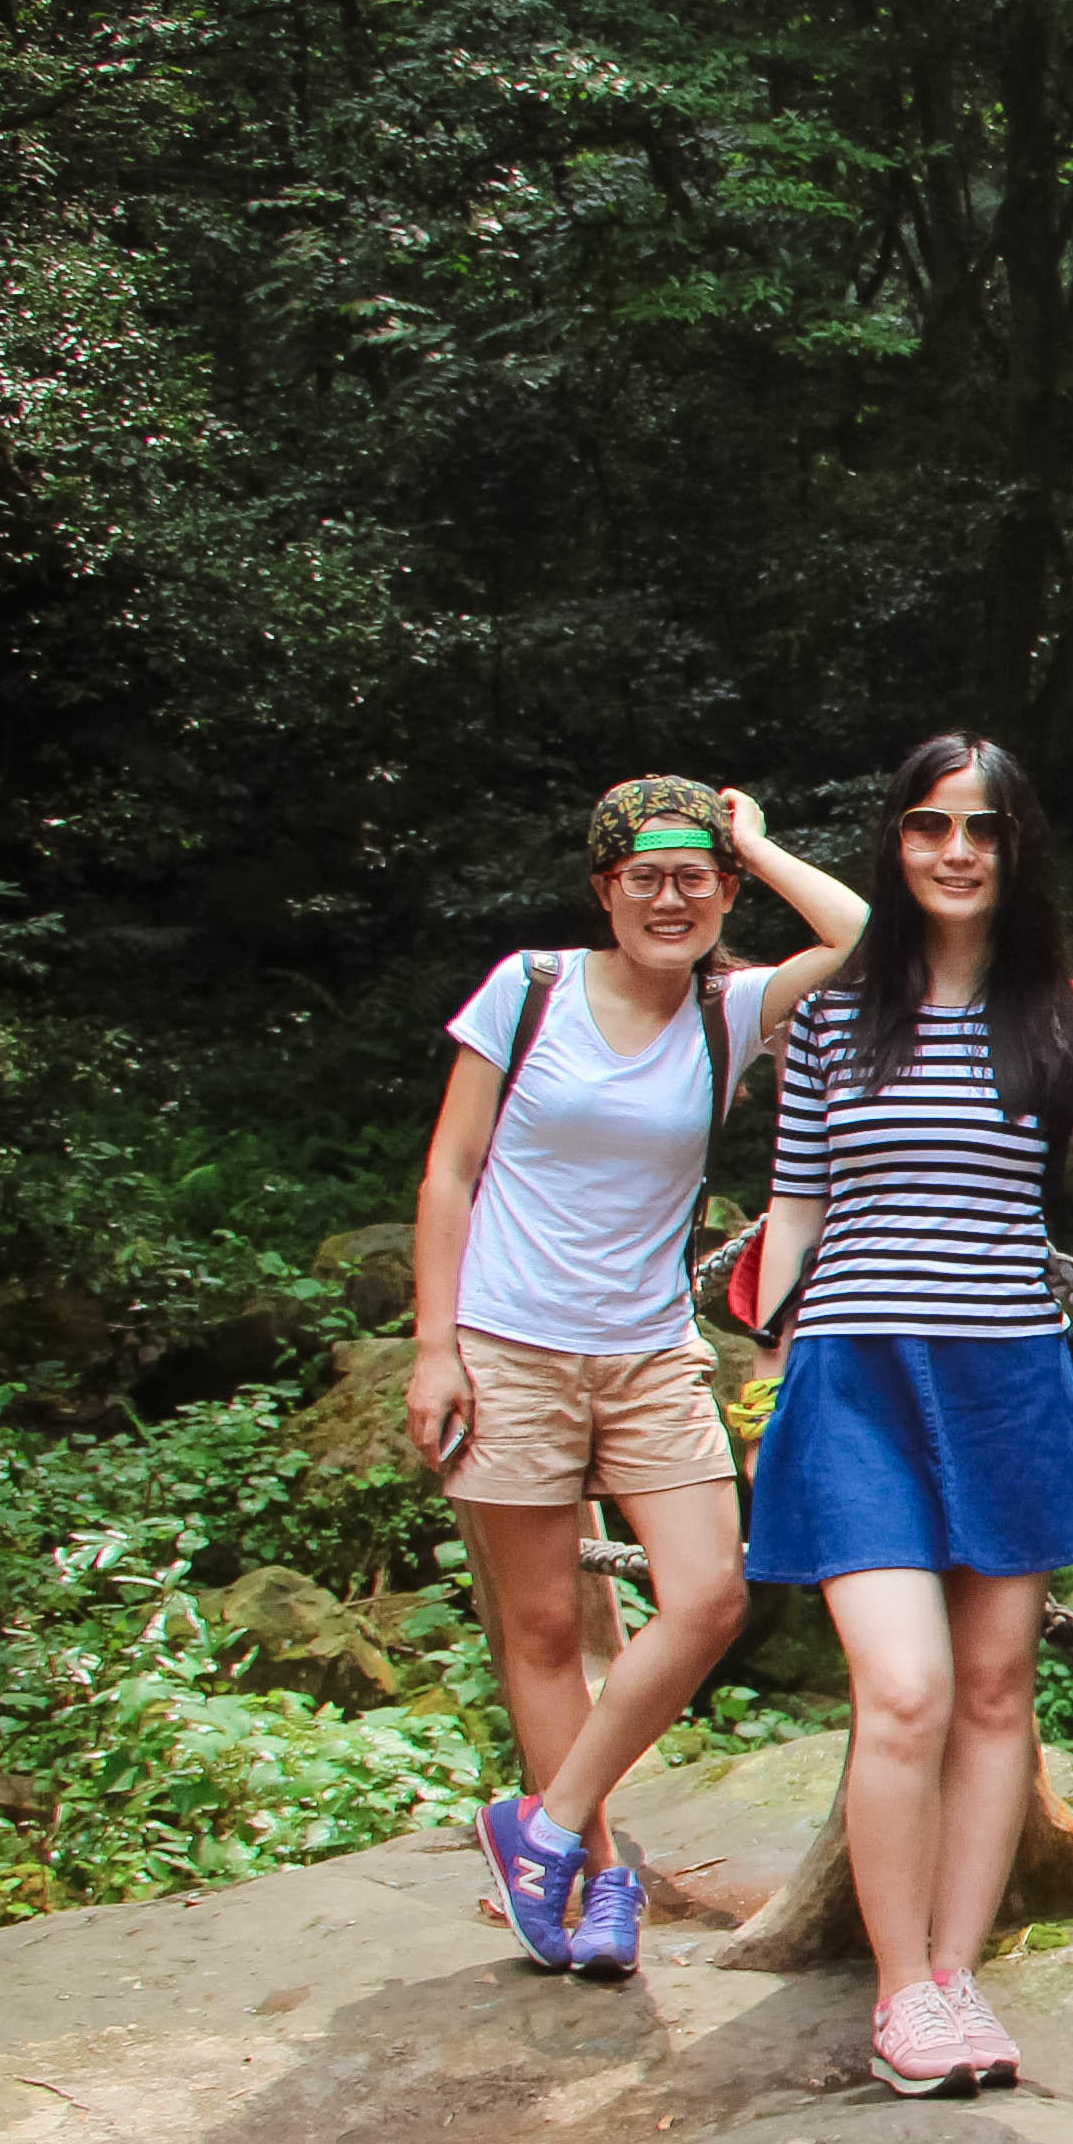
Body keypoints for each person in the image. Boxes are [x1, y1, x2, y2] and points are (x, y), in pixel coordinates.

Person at [412, 775, 866, 1974]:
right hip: (507, 1344)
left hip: (650, 1350)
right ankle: (597, 1876)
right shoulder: (529, 990)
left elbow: (865, 939)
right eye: (645, 878)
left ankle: (544, 1825)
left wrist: (755, 843)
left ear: (725, 892)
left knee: (711, 1596)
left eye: (695, 879)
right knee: (545, 1626)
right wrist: (434, 1347)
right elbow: (451, 1171)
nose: (671, 900)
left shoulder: (729, 1010)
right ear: (604, 888)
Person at [738, 735, 1073, 2097]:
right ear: (896, 843)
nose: (956, 851)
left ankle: (957, 1974)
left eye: (983, 829)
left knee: (996, 1691)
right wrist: (763, 1362)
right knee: (904, 1689)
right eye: (928, 825)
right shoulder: (836, 1016)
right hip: (856, 1376)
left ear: (1019, 850)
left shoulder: (1069, 1020)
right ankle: (900, 1988)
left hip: (1011, 1380)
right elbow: (795, 1203)